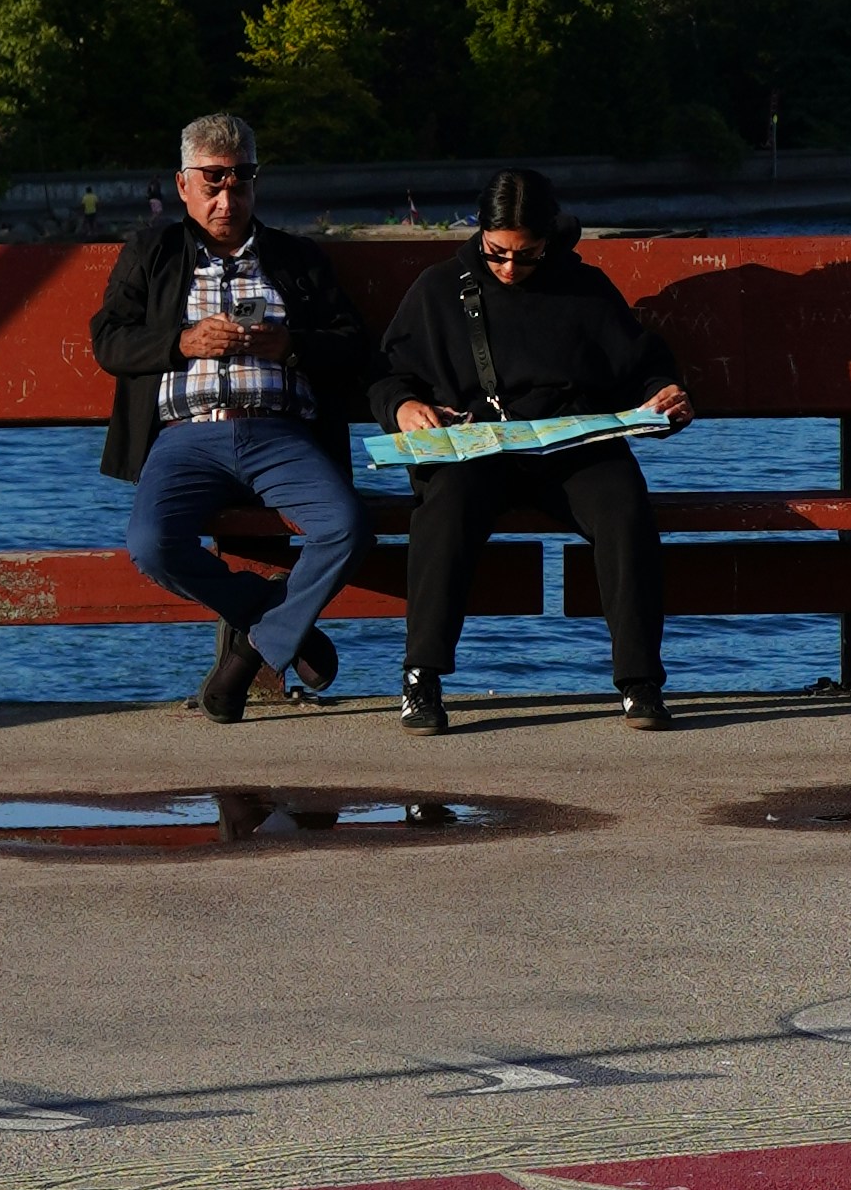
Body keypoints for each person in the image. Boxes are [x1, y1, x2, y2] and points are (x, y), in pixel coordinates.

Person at [92, 111, 381, 724]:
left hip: (278, 431)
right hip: (187, 437)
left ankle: (255, 646)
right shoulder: (154, 252)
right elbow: (109, 342)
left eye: (241, 180)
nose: (228, 196)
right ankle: (270, 614)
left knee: (348, 528)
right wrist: (183, 342)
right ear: (183, 184)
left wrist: (290, 345)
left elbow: (353, 343)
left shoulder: (296, 258)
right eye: (214, 180)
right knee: (151, 546)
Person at [380, 169, 693, 733]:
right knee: (444, 506)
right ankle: (420, 678)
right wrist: (403, 405)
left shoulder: (584, 287)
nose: (508, 269)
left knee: (623, 503)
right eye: (496, 253)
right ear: (479, 232)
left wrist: (661, 400)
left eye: (526, 256)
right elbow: (390, 374)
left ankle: (640, 682)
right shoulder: (438, 287)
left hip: (570, 446)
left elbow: (643, 367)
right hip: (477, 444)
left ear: (549, 240)